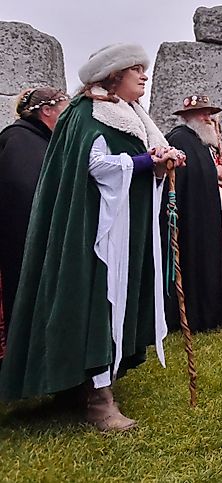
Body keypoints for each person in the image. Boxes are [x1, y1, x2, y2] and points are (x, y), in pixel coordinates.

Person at [0, 43, 185, 431]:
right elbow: (95, 166)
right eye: (137, 69)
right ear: (114, 75)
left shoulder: (132, 114)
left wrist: (161, 162)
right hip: (92, 232)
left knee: (114, 297)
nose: (144, 76)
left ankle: (100, 379)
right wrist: (146, 161)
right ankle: (98, 400)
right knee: (97, 299)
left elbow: (133, 165)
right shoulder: (86, 114)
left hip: (122, 226)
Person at [161, 94, 222, 333]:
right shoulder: (179, 139)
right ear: (188, 117)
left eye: (209, 113)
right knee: (191, 263)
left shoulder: (201, 142)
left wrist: (218, 166)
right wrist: (214, 172)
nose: (209, 118)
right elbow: (183, 175)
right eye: (203, 113)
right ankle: (192, 316)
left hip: (206, 217)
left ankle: (209, 313)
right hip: (190, 219)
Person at [0, 87, 69, 326]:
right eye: (64, 110)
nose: (68, 117)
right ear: (47, 111)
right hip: (21, 246)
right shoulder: (20, 141)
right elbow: (24, 194)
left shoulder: (43, 142)